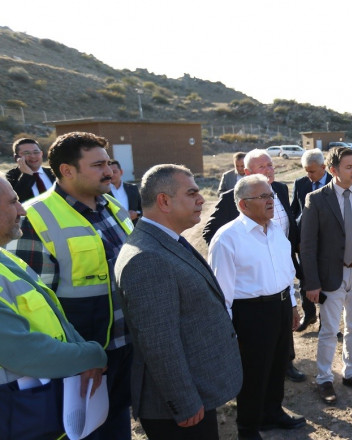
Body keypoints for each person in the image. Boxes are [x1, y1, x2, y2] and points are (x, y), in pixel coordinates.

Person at [6, 131, 135, 440]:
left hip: (123, 351)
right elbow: (33, 305)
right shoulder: (36, 217)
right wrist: (72, 359)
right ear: (67, 170)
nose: (108, 171)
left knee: (117, 425)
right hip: (81, 364)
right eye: (97, 165)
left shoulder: (112, 207)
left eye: (107, 163)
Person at [115, 164, 242, 440]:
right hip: (174, 408)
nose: (201, 200)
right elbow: (160, 342)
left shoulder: (163, 241)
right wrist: (183, 401)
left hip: (195, 391)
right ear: (164, 201)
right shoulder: (147, 258)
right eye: (192, 193)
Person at [0, 178, 107, 440]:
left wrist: (81, 355)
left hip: (35, 409)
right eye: (13, 202)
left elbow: (55, 318)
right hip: (15, 414)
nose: (23, 210)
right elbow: (18, 350)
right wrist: (91, 356)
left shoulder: (6, 257)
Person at [208, 174, 306, 439]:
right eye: (262, 196)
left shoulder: (275, 230)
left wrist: (293, 306)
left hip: (281, 307)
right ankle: (248, 428)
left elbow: (286, 272)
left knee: (277, 365)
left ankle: (272, 413)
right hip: (251, 313)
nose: (270, 200)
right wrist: (230, 332)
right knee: (254, 373)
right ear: (243, 204)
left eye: (270, 195)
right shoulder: (227, 238)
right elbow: (222, 292)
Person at [202, 149, 306, 382]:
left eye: (271, 165)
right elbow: (210, 232)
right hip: (251, 281)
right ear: (247, 173)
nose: (270, 170)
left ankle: (286, 363)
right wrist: (241, 249)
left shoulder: (279, 189)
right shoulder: (232, 198)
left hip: (280, 264)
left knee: (283, 327)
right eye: (263, 167)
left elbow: (289, 222)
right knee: (256, 360)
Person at [300, 146, 352, 405]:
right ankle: (324, 378)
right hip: (330, 276)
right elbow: (308, 245)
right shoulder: (316, 199)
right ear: (333, 170)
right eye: (349, 167)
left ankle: (351, 373)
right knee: (329, 330)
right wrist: (312, 283)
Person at [291, 149, 332, 333]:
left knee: (327, 284)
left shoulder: (335, 184)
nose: (308, 175)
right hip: (305, 244)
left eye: (312, 171)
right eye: (306, 171)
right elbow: (295, 212)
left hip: (327, 245)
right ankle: (309, 315)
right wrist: (297, 239)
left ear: (324, 167)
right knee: (305, 281)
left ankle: (326, 321)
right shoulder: (300, 184)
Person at [6, 137, 55, 202]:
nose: (33, 156)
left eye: (36, 152)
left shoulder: (54, 173)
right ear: (16, 157)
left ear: (41, 154)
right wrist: (27, 175)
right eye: (26, 153)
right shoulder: (11, 176)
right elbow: (15, 201)